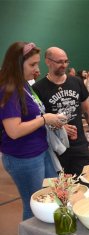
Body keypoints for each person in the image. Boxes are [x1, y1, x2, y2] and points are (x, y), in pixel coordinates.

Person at [0, 42, 65, 220]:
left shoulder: (24, 85)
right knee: (35, 207)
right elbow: (14, 131)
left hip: (40, 151)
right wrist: (45, 119)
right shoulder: (9, 89)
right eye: (32, 65)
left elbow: (33, 115)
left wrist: (51, 120)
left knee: (55, 196)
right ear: (16, 65)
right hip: (24, 157)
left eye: (37, 64)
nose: (36, 69)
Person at [33, 47, 89, 176]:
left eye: (66, 61)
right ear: (48, 61)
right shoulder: (38, 88)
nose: (64, 65)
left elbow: (87, 109)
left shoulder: (76, 82)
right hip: (57, 148)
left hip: (79, 144)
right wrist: (59, 128)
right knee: (63, 186)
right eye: (59, 62)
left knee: (85, 179)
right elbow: (39, 120)